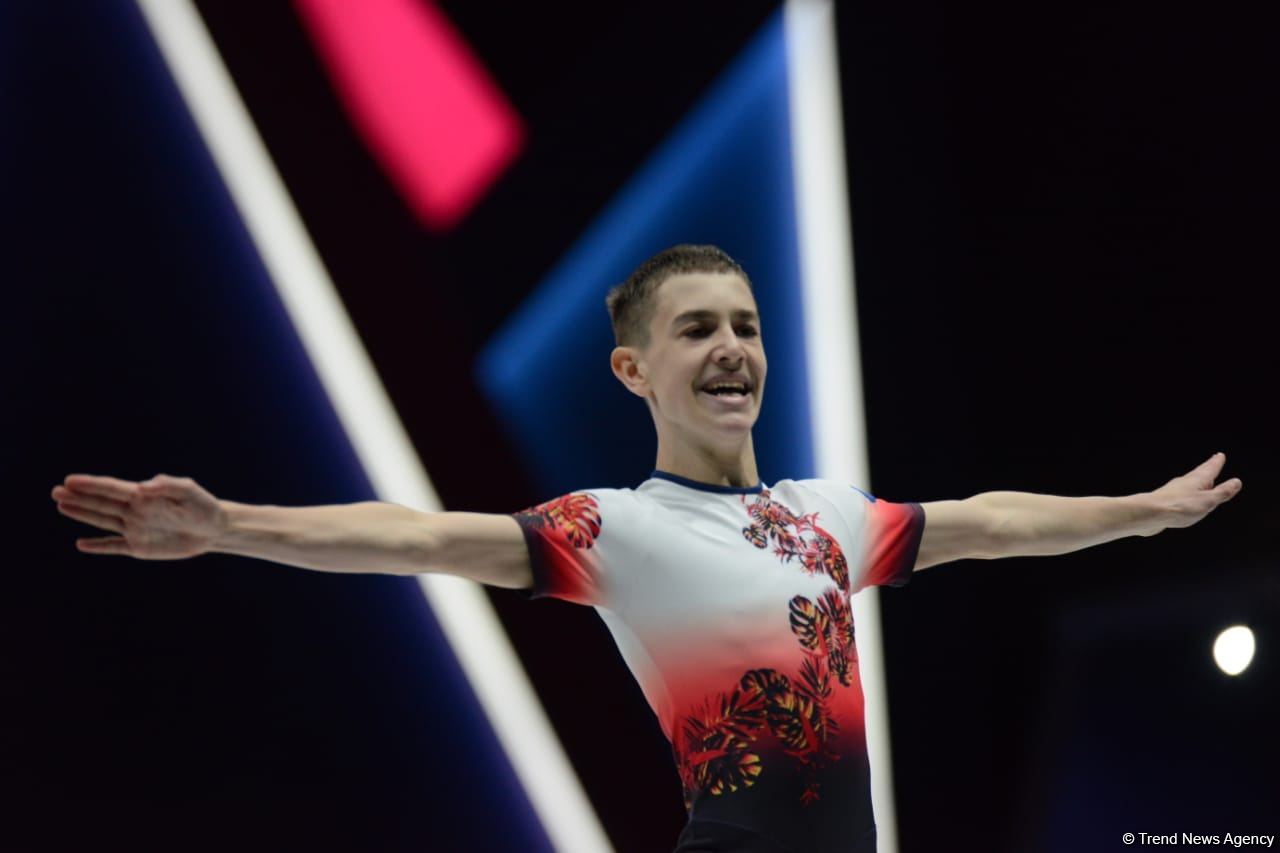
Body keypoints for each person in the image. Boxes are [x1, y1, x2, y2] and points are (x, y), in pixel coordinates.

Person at [51, 244, 1243, 852]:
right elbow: (416, 536)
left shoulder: (827, 515)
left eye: (746, 325)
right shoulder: (615, 528)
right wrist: (230, 525)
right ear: (633, 368)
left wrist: (1136, 510)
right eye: (696, 328)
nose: (731, 346)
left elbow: (987, 522)